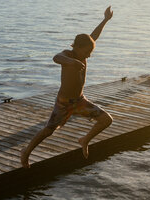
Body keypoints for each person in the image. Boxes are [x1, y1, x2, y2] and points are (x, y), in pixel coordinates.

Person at [21, 6, 114, 168]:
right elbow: (55, 57)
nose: (89, 56)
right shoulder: (68, 55)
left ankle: (85, 140)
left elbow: (94, 36)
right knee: (48, 130)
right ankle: (26, 152)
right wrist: (73, 62)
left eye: (90, 53)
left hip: (79, 101)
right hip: (64, 103)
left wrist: (105, 20)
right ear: (76, 47)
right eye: (87, 53)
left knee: (106, 120)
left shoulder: (82, 52)